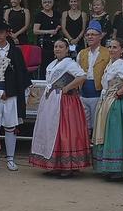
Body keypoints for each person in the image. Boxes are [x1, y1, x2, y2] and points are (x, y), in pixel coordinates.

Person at [29, 39, 91, 177]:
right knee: (51, 130)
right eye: (56, 47)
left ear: (67, 49)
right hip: (52, 100)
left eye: (61, 47)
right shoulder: (53, 63)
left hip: (66, 102)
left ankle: (68, 165)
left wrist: (67, 87)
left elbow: (82, 76)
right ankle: (56, 164)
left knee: (65, 131)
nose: (57, 49)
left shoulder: (70, 63)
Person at [0, 18, 31, 172]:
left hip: (12, 94)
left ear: (6, 33)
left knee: (10, 126)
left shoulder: (15, 51)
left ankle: (10, 158)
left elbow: (22, 74)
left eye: (1, 32)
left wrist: (16, 93)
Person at [91, 38, 123, 179]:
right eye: (110, 47)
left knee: (116, 134)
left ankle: (118, 168)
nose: (111, 49)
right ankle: (109, 167)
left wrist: (118, 93)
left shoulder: (122, 65)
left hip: (117, 104)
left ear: (122, 50)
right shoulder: (111, 63)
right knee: (108, 133)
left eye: (115, 47)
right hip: (108, 101)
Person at [78, 21, 110, 134]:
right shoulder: (82, 53)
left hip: (98, 92)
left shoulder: (107, 53)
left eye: (93, 34)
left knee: (97, 122)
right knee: (84, 123)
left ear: (100, 36)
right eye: (88, 35)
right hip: (83, 92)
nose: (90, 37)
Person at [33, 0, 61, 75]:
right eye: (45, 2)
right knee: (45, 66)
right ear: (42, 4)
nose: (47, 4)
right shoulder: (39, 15)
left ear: (52, 3)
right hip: (44, 44)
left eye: (49, 2)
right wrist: (49, 31)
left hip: (56, 43)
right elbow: (35, 31)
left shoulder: (57, 14)